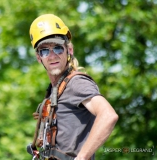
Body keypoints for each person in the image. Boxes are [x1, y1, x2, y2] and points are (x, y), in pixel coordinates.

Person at [28, 14, 119, 160]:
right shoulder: (54, 89)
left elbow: (108, 115)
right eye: (45, 50)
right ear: (39, 57)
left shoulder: (77, 83)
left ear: (69, 50)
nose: (52, 56)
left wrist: (82, 157)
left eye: (57, 48)